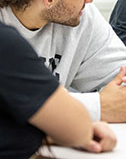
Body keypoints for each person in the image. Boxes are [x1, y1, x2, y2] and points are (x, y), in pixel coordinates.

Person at [0, 21, 116, 159]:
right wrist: (98, 105)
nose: (89, 0)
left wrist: (50, 134)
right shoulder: (6, 42)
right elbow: (77, 128)